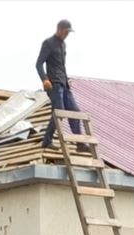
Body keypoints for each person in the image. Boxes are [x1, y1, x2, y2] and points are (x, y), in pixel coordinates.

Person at [35, 19, 89, 152]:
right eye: (65, 32)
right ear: (59, 29)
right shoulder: (48, 43)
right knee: (59, 110)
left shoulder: (63, 45)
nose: (67, 35)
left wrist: (66, 78)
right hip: (53, 84)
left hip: (64, 83)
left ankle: (79, 143)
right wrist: (44, 79)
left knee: (75, 111)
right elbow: (39, 63)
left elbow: (62, 66)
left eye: (68, 33)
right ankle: (47, 141)